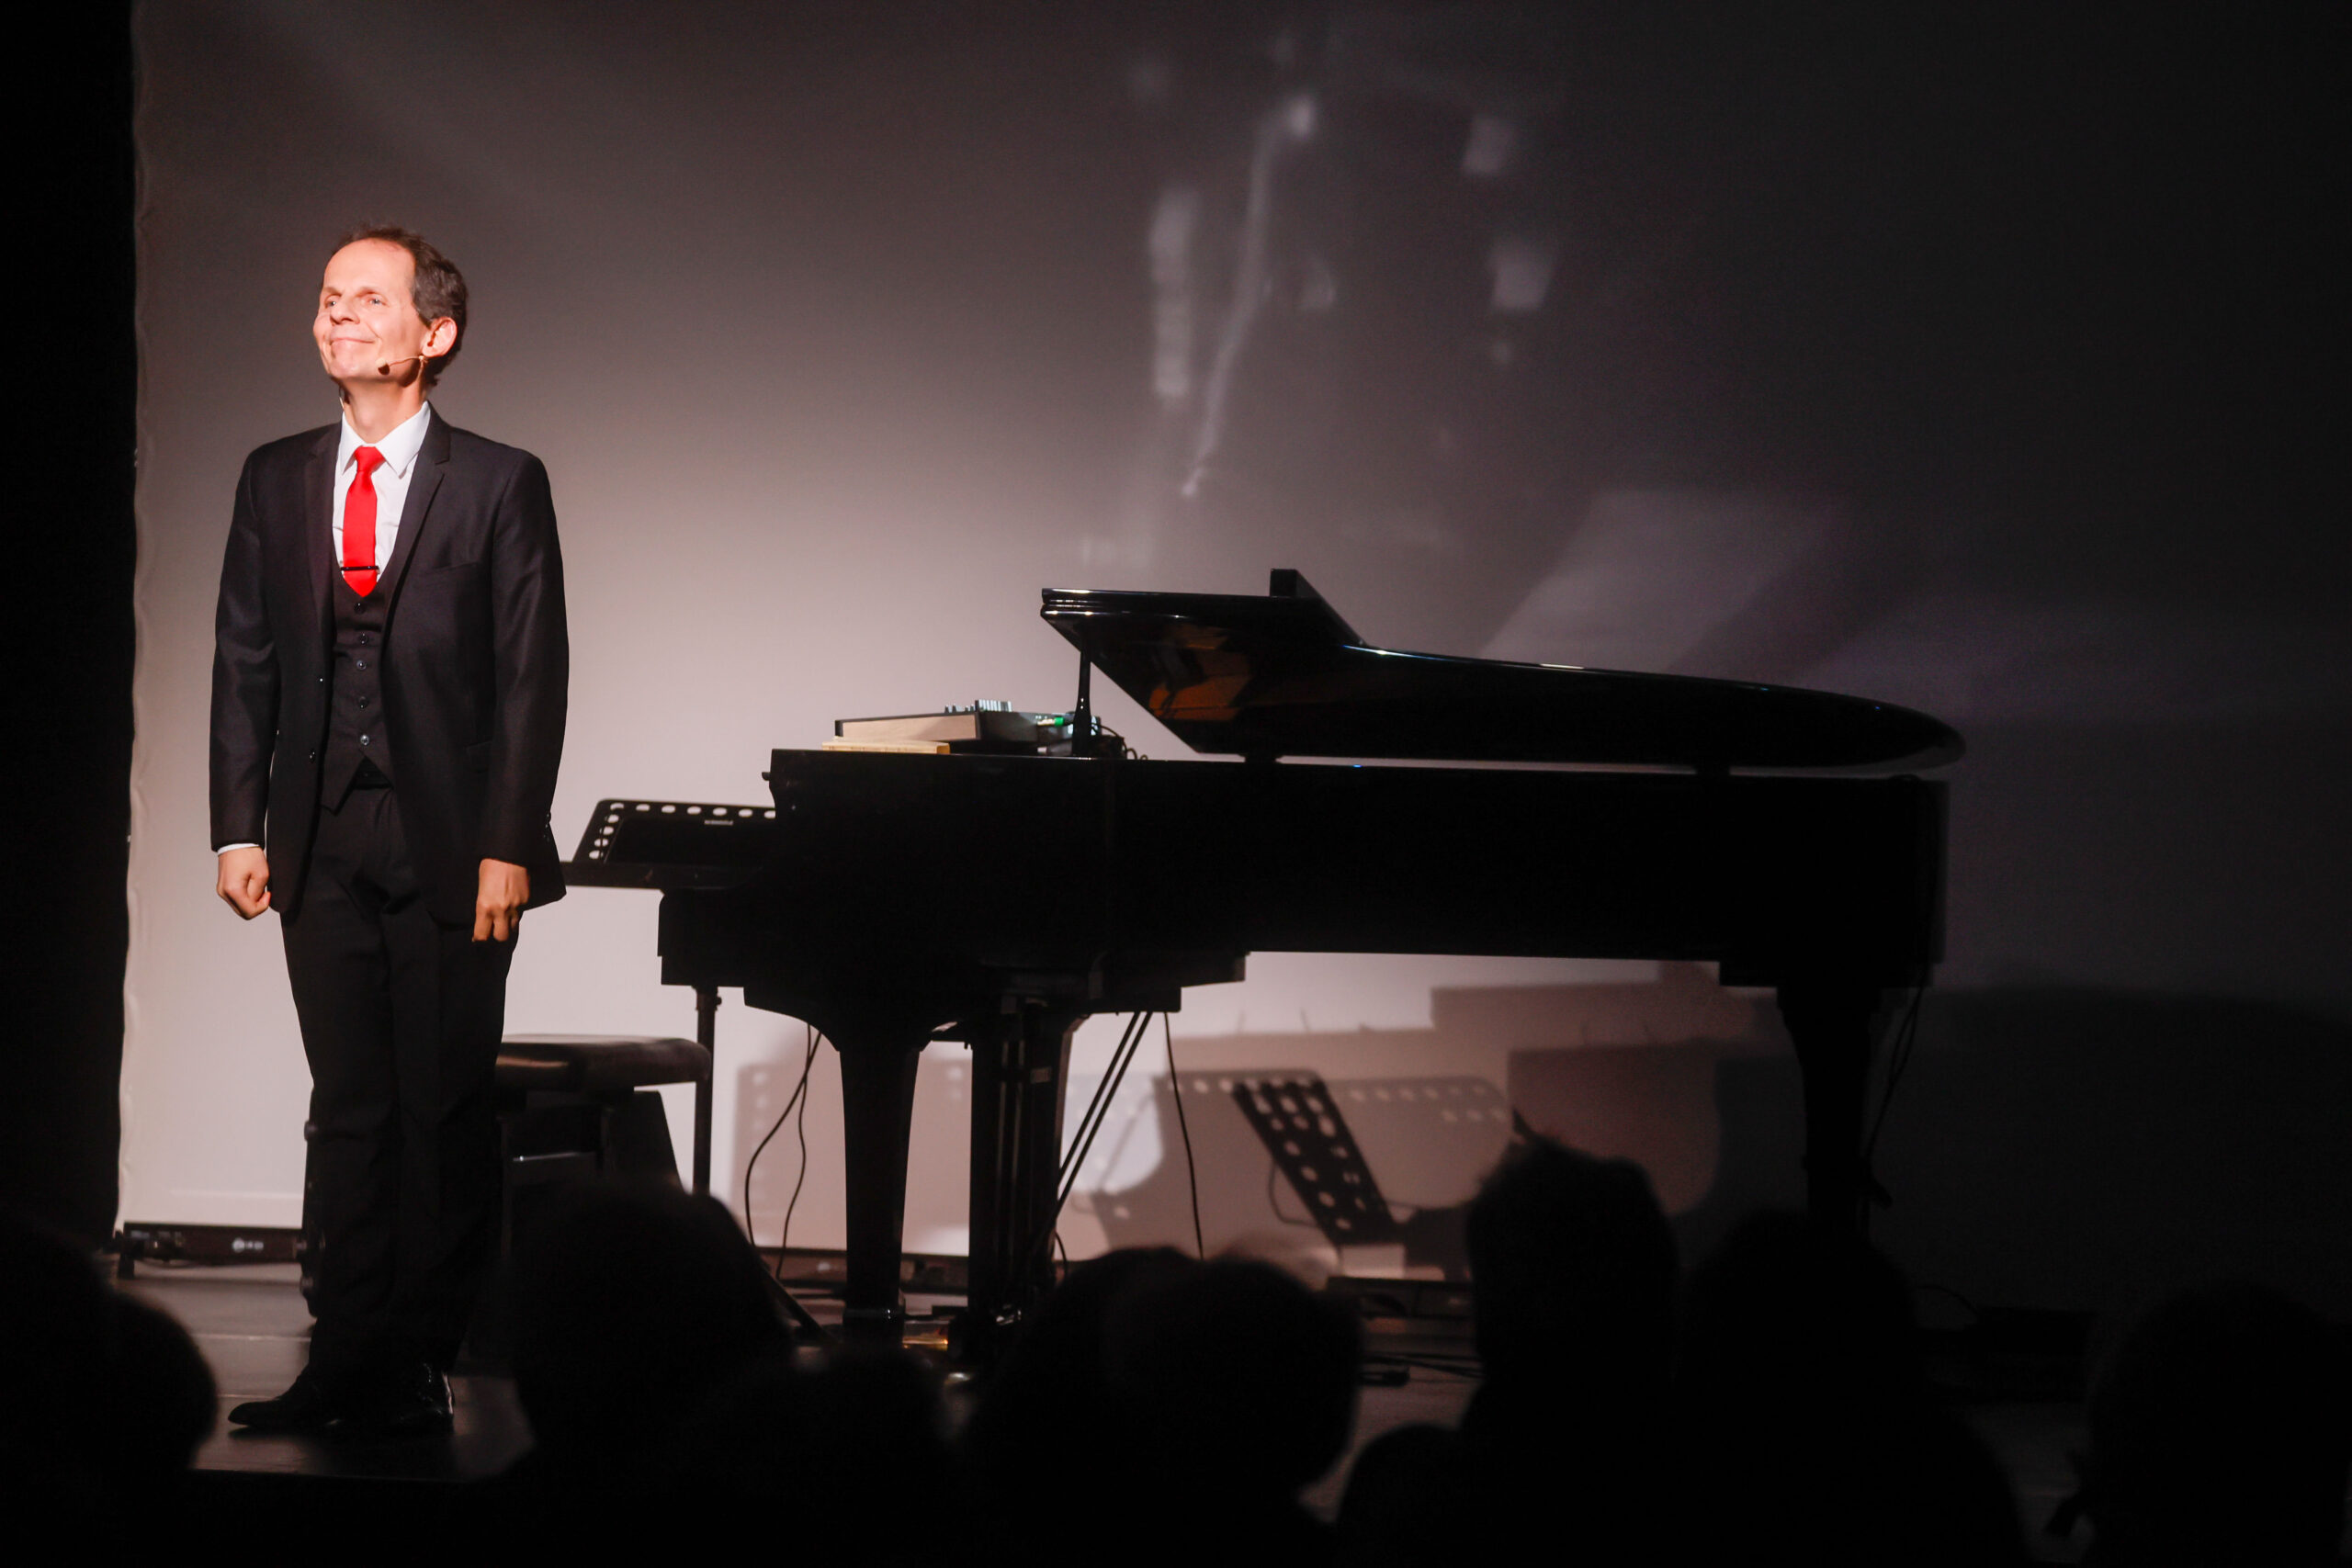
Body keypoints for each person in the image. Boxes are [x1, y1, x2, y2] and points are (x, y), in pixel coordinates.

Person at [209, 226, 567, 1435]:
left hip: (455, 841)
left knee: (442, 1106)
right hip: (318, 833)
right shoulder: (276, 476)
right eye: (328, 299)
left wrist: (510, 841)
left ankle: (419, 1358)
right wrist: (238, 826)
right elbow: (245, 657)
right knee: (349, 1104)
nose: (338, 317)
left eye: (367, 300)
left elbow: (531, 676)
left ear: (435, 332)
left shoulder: (499, 480)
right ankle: (343, 1354)